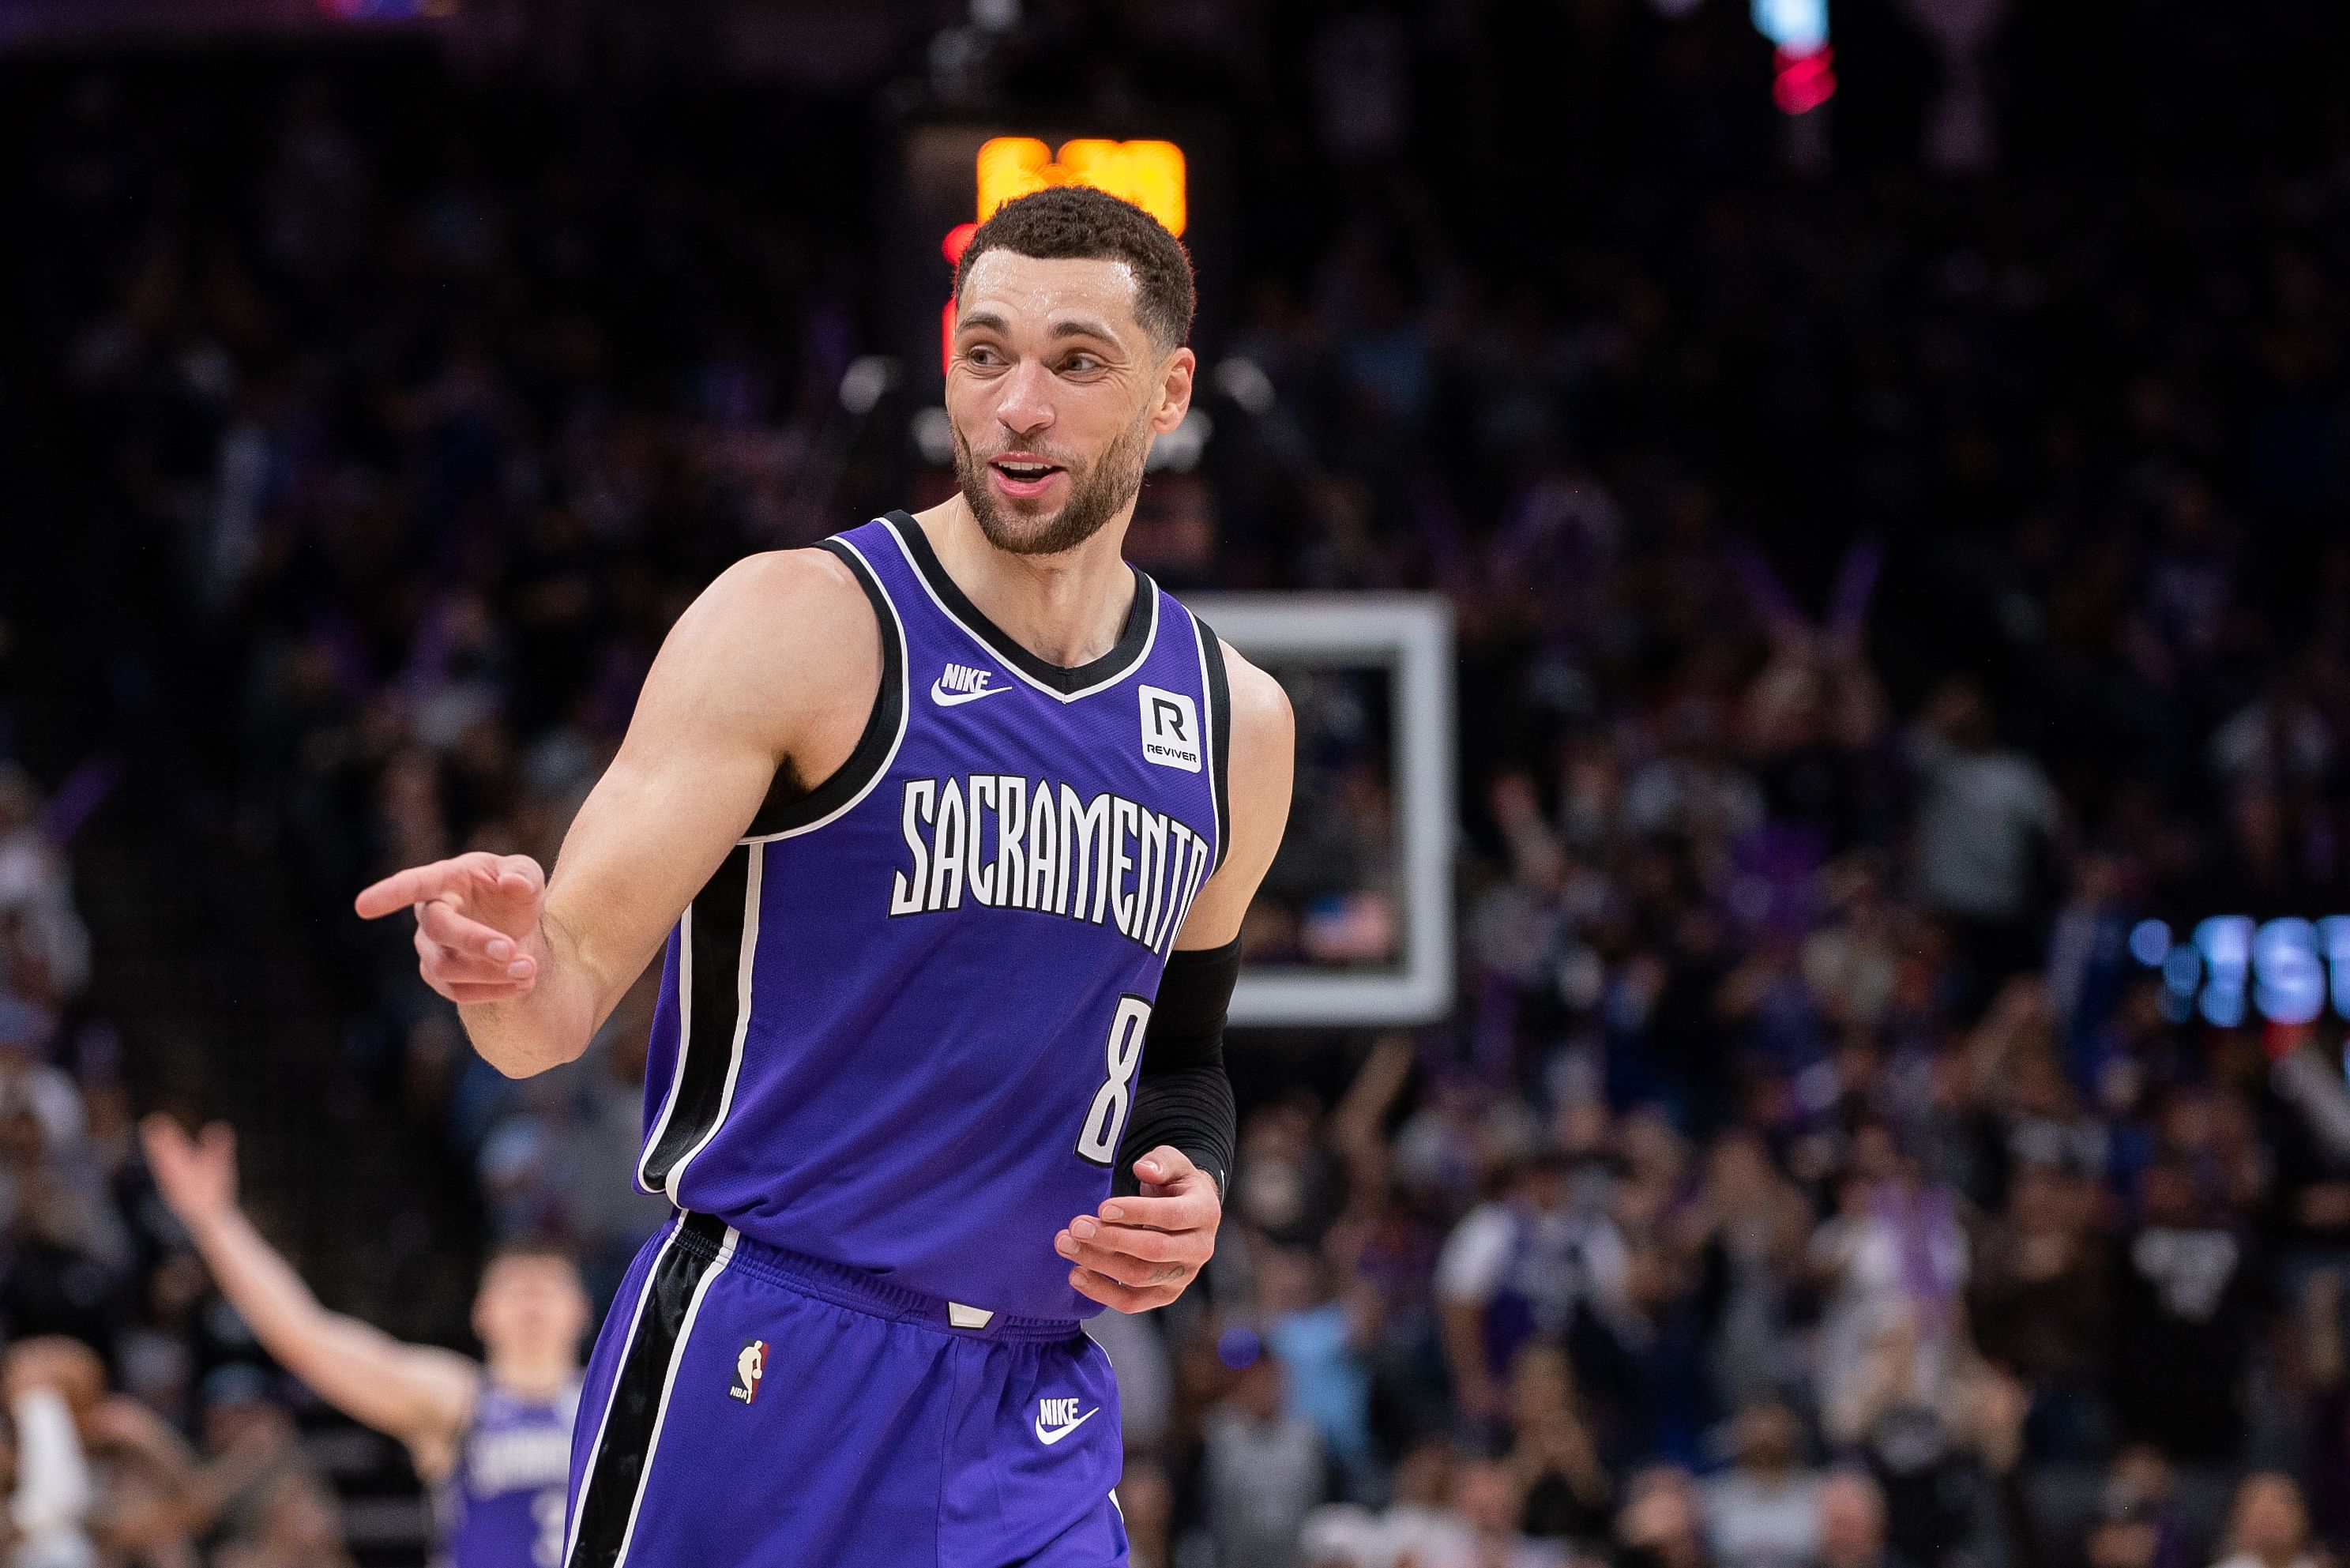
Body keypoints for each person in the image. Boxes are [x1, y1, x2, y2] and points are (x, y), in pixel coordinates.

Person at [354, 182, 1295, 1566]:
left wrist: (1191, 1183)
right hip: (770, 1356)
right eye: (985, 355)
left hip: (1031, 1396)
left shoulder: (1234, 721)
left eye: (1076, 362)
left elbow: (1186, 1062)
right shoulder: (803, 623)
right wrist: (508, 964)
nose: (1018, 405)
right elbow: (550, 1016)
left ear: (1169, 392)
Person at [140, 1118, 588, 1568]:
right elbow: (305, 1337)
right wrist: (215, 1221)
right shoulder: (459, 1398)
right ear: (481, 1312)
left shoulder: (621, 1403)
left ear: (583, 1310)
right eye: (515, 1289)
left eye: (549, 1288)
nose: (533, 1301)